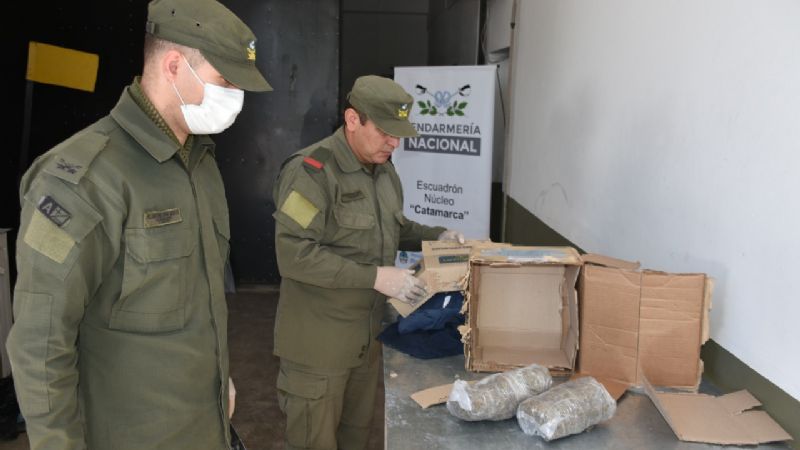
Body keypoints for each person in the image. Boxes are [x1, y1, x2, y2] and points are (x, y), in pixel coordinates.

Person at [6, 0, 271, 448]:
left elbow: (197, 301)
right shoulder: (84, 180)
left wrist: (215, 376)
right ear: (173, 66)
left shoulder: (200, 164)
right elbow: (40, 344)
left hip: (203, 428)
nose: (235, 98)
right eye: (225, 81)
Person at [273, 75, 466, 450]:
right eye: (385, 132)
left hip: (367, 340)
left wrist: (436, 235)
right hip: (319, 347)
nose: (394, 143)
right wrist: (375, 276)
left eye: (398, 134)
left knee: (355, 439)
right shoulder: (312, 171)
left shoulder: (383, 170)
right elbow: (293, 254)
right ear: (352, 119)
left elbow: (394, 225)